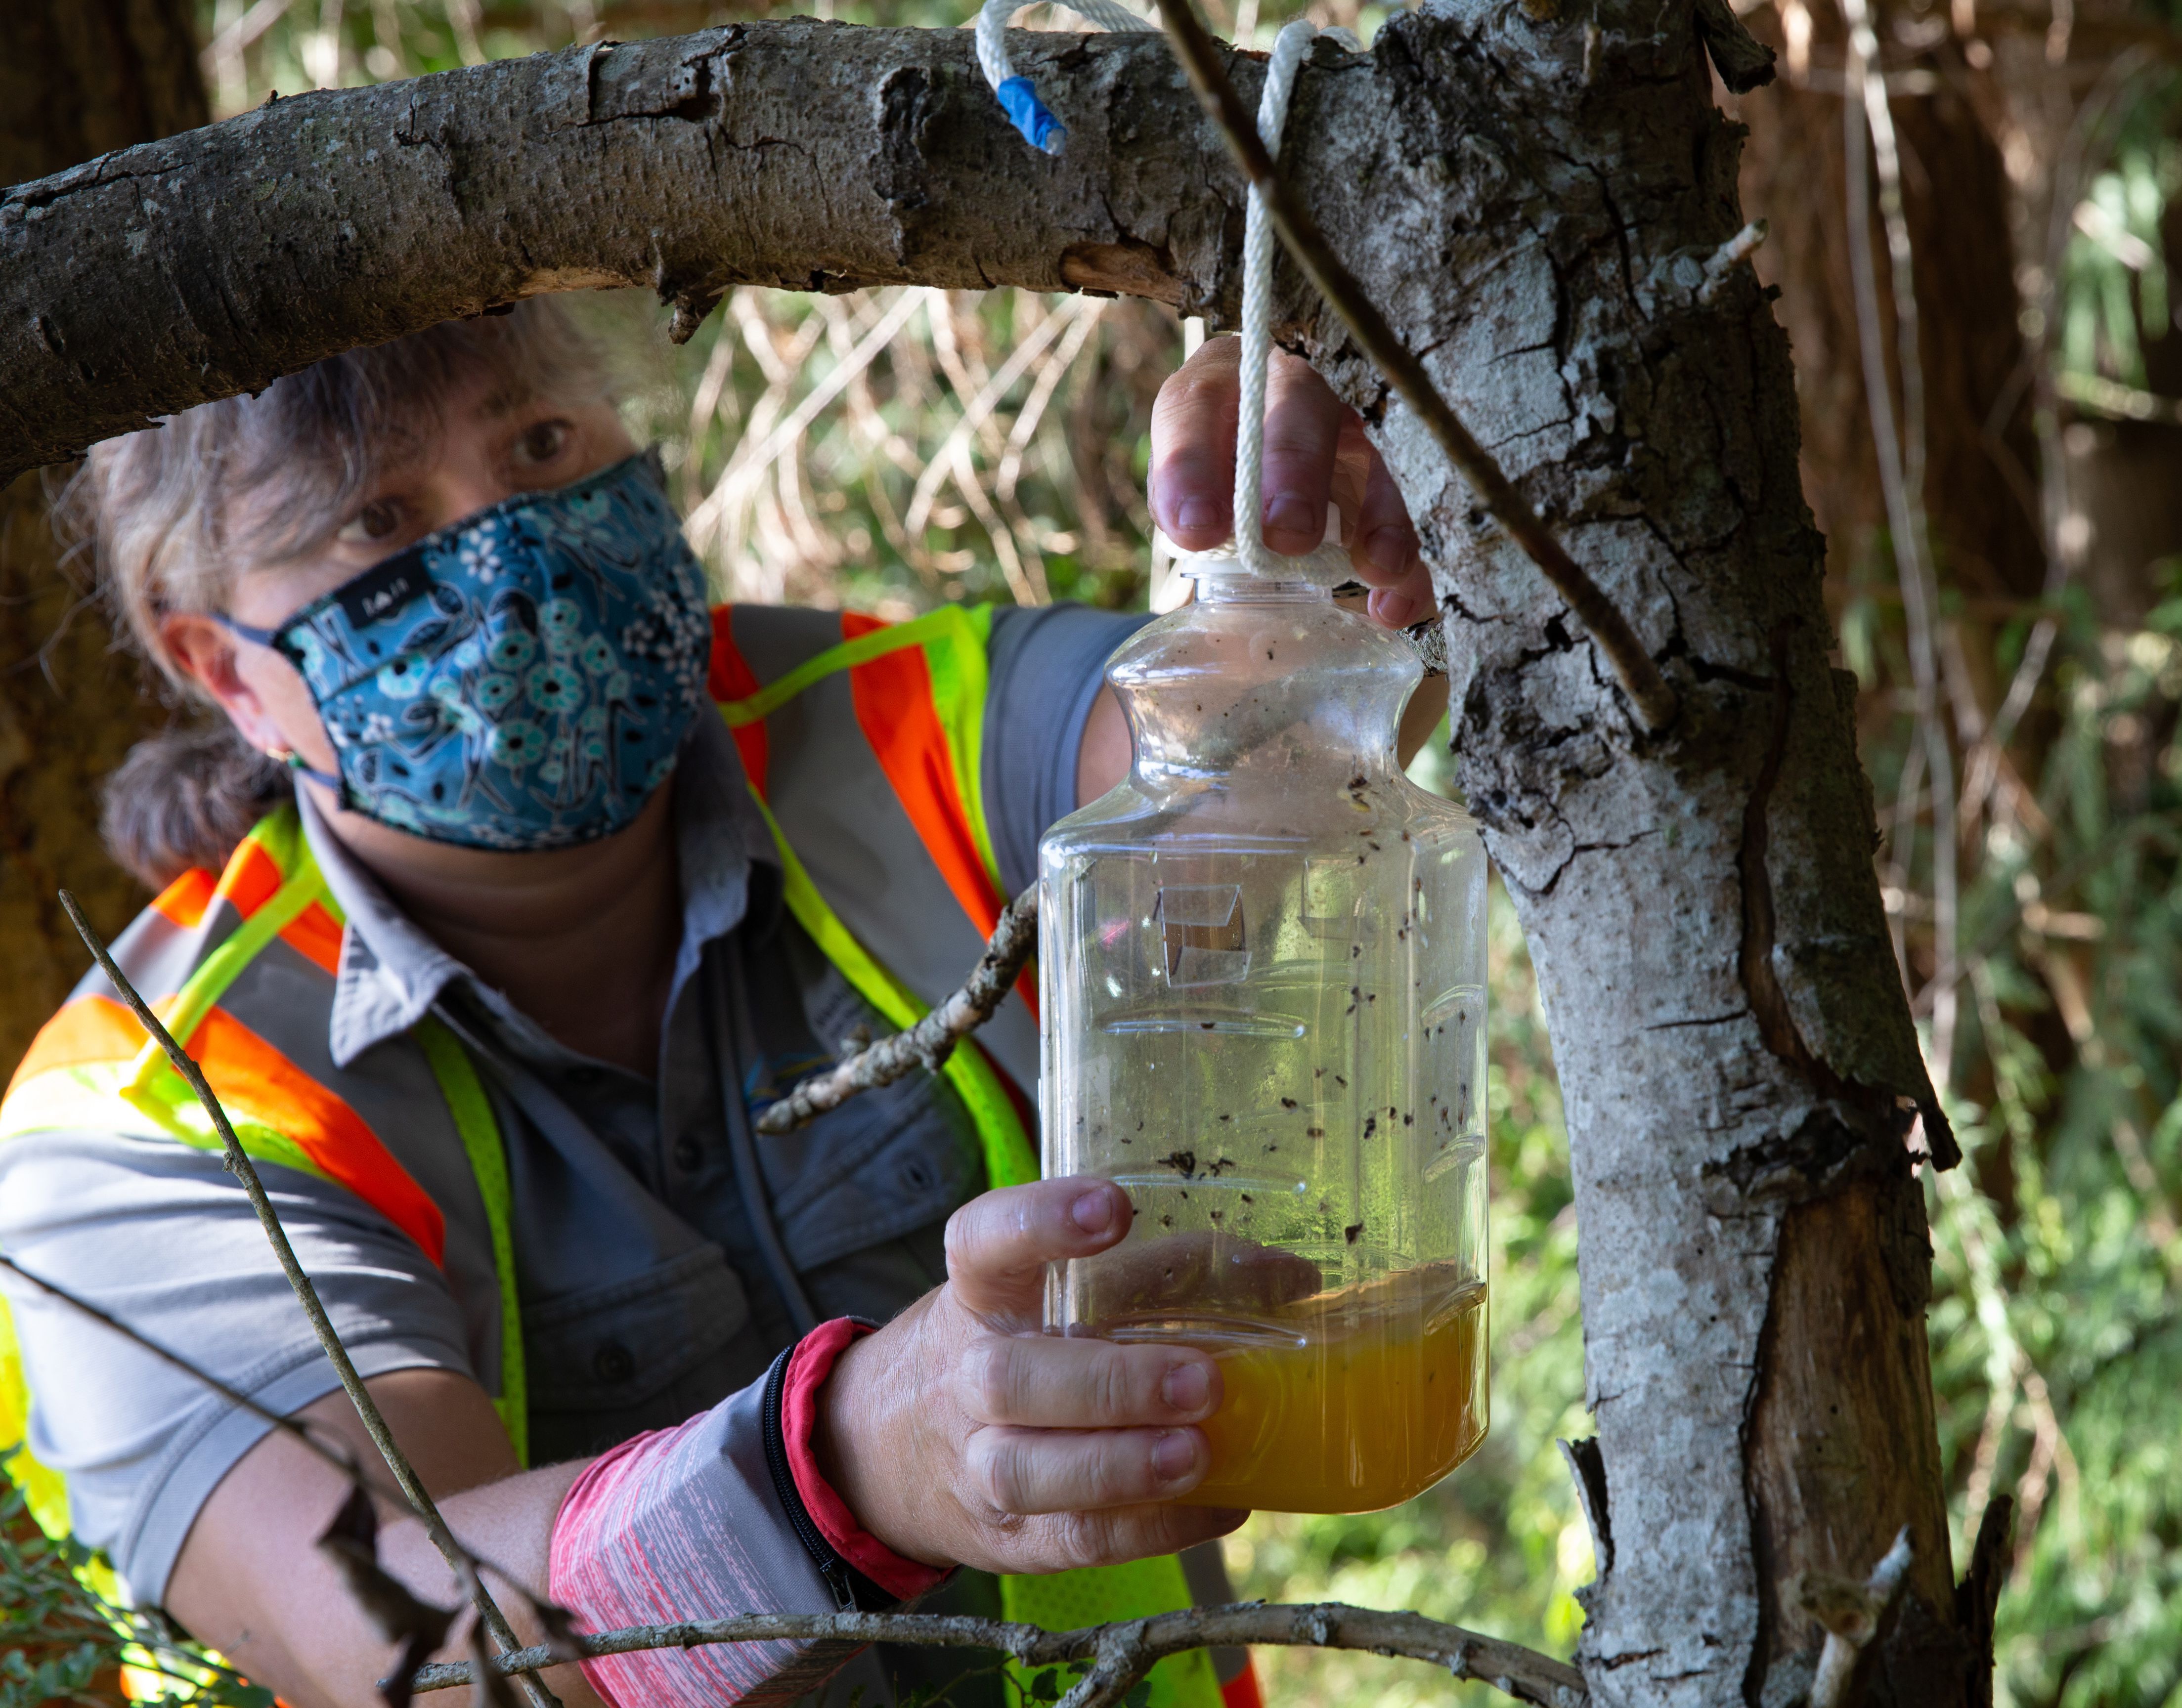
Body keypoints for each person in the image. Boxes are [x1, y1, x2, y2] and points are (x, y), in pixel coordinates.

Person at [0, 299, 1441, 1708]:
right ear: (215, 667)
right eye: (379, 523)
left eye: (543, 442)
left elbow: (1278, 746)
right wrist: (853, 1469)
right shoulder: (152, 1113)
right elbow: (407, 1644)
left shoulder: (899, 724)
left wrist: (1332, 531)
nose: (510, 552)